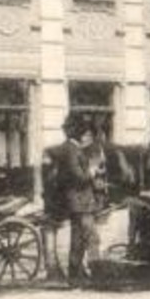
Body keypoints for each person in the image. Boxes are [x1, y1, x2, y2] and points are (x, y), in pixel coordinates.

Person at [43, 114, 102, 285]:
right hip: (80, 202)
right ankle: (97, 272)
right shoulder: (72, 150)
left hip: (76, 201)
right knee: (91, 237)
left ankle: (75, 274)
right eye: (86, 134)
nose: (88, 137)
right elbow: (78, 176)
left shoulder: (68, 148)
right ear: (80, 134)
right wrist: (92, 170)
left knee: (78, 240)